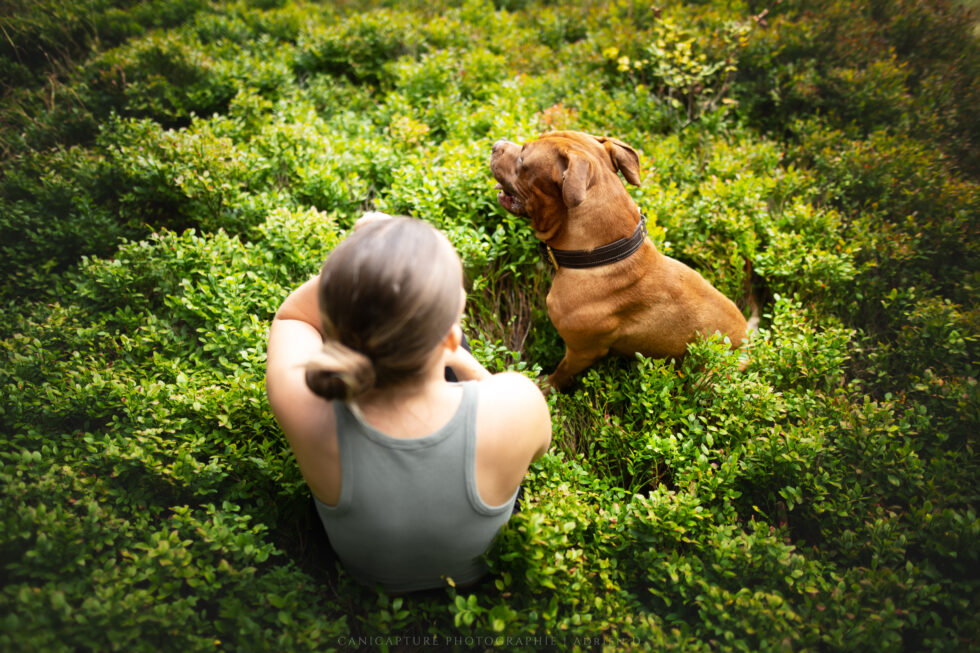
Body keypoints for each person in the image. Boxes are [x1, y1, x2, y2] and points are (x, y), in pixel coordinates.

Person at [265, 213, 552, 594]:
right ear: (449, 337)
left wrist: (368, 266)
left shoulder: (302, 404)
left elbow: (293, 317)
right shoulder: (517, 404)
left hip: (364, 579)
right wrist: (459, 359)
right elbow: (540, 450)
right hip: (473, 576)